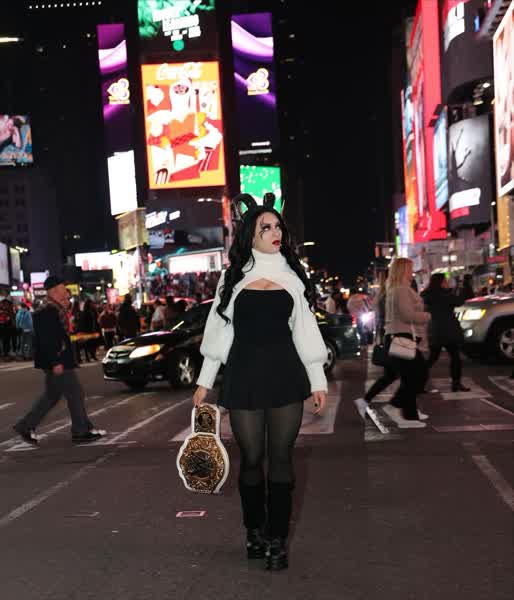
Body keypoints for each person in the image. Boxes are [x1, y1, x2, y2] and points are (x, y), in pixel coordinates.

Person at [191, 193, 328, 571]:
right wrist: (204, 382)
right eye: (265, 227)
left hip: (285, 375)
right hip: (244, 375)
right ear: (249, 235)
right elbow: (219, 331)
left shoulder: (293, 276)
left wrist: (317, 379)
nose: (275, 232)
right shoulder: (232, 277)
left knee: (281, 459)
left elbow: (305, 331)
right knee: (251, 459)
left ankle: (278, 540)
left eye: (277, 226)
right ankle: (254, 530)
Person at [13, 276, 106, 446]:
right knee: (75, 393)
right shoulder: (47, 312)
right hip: (57, 360)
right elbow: (47, 340)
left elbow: (59, 335)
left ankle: (25, 426)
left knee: (52, 395)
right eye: (64, 289)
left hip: (58, 359)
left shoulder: (57, 310)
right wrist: (56, 362)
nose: (67, 293)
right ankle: (80, 431)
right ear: (54, 291)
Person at [381, 258, 431, 428]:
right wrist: (427, 316)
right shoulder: (401, 290)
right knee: (418, 374)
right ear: (403, 270)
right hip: (400, 337)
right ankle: (398, 409)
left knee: (412, 375)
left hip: (399, 336)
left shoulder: (396, 289)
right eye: (410, 269)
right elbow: (407, 315)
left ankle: (409, 412)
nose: (412, 272)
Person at [421, 274, 469, 393]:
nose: (447, 283)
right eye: (445, 281)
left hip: (435, 330)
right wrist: (462, 288)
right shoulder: (446, 295)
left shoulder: (427, 295)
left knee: (433, 358)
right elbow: (459, 301)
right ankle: (456, 383)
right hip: (448, 330)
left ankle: (417, 381)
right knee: (455, 357)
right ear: (441, 282)